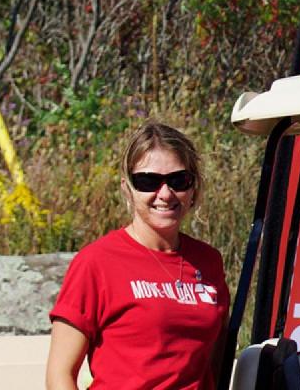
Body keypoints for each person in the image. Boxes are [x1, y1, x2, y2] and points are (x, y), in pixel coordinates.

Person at [46, 123, 229, 389]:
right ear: (127, 188)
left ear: (193, 187)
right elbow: (58, 376)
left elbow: (215, 364)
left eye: (179, 180)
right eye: (148, 182)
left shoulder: (209, 261)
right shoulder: (96, 262)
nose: (165, 194)